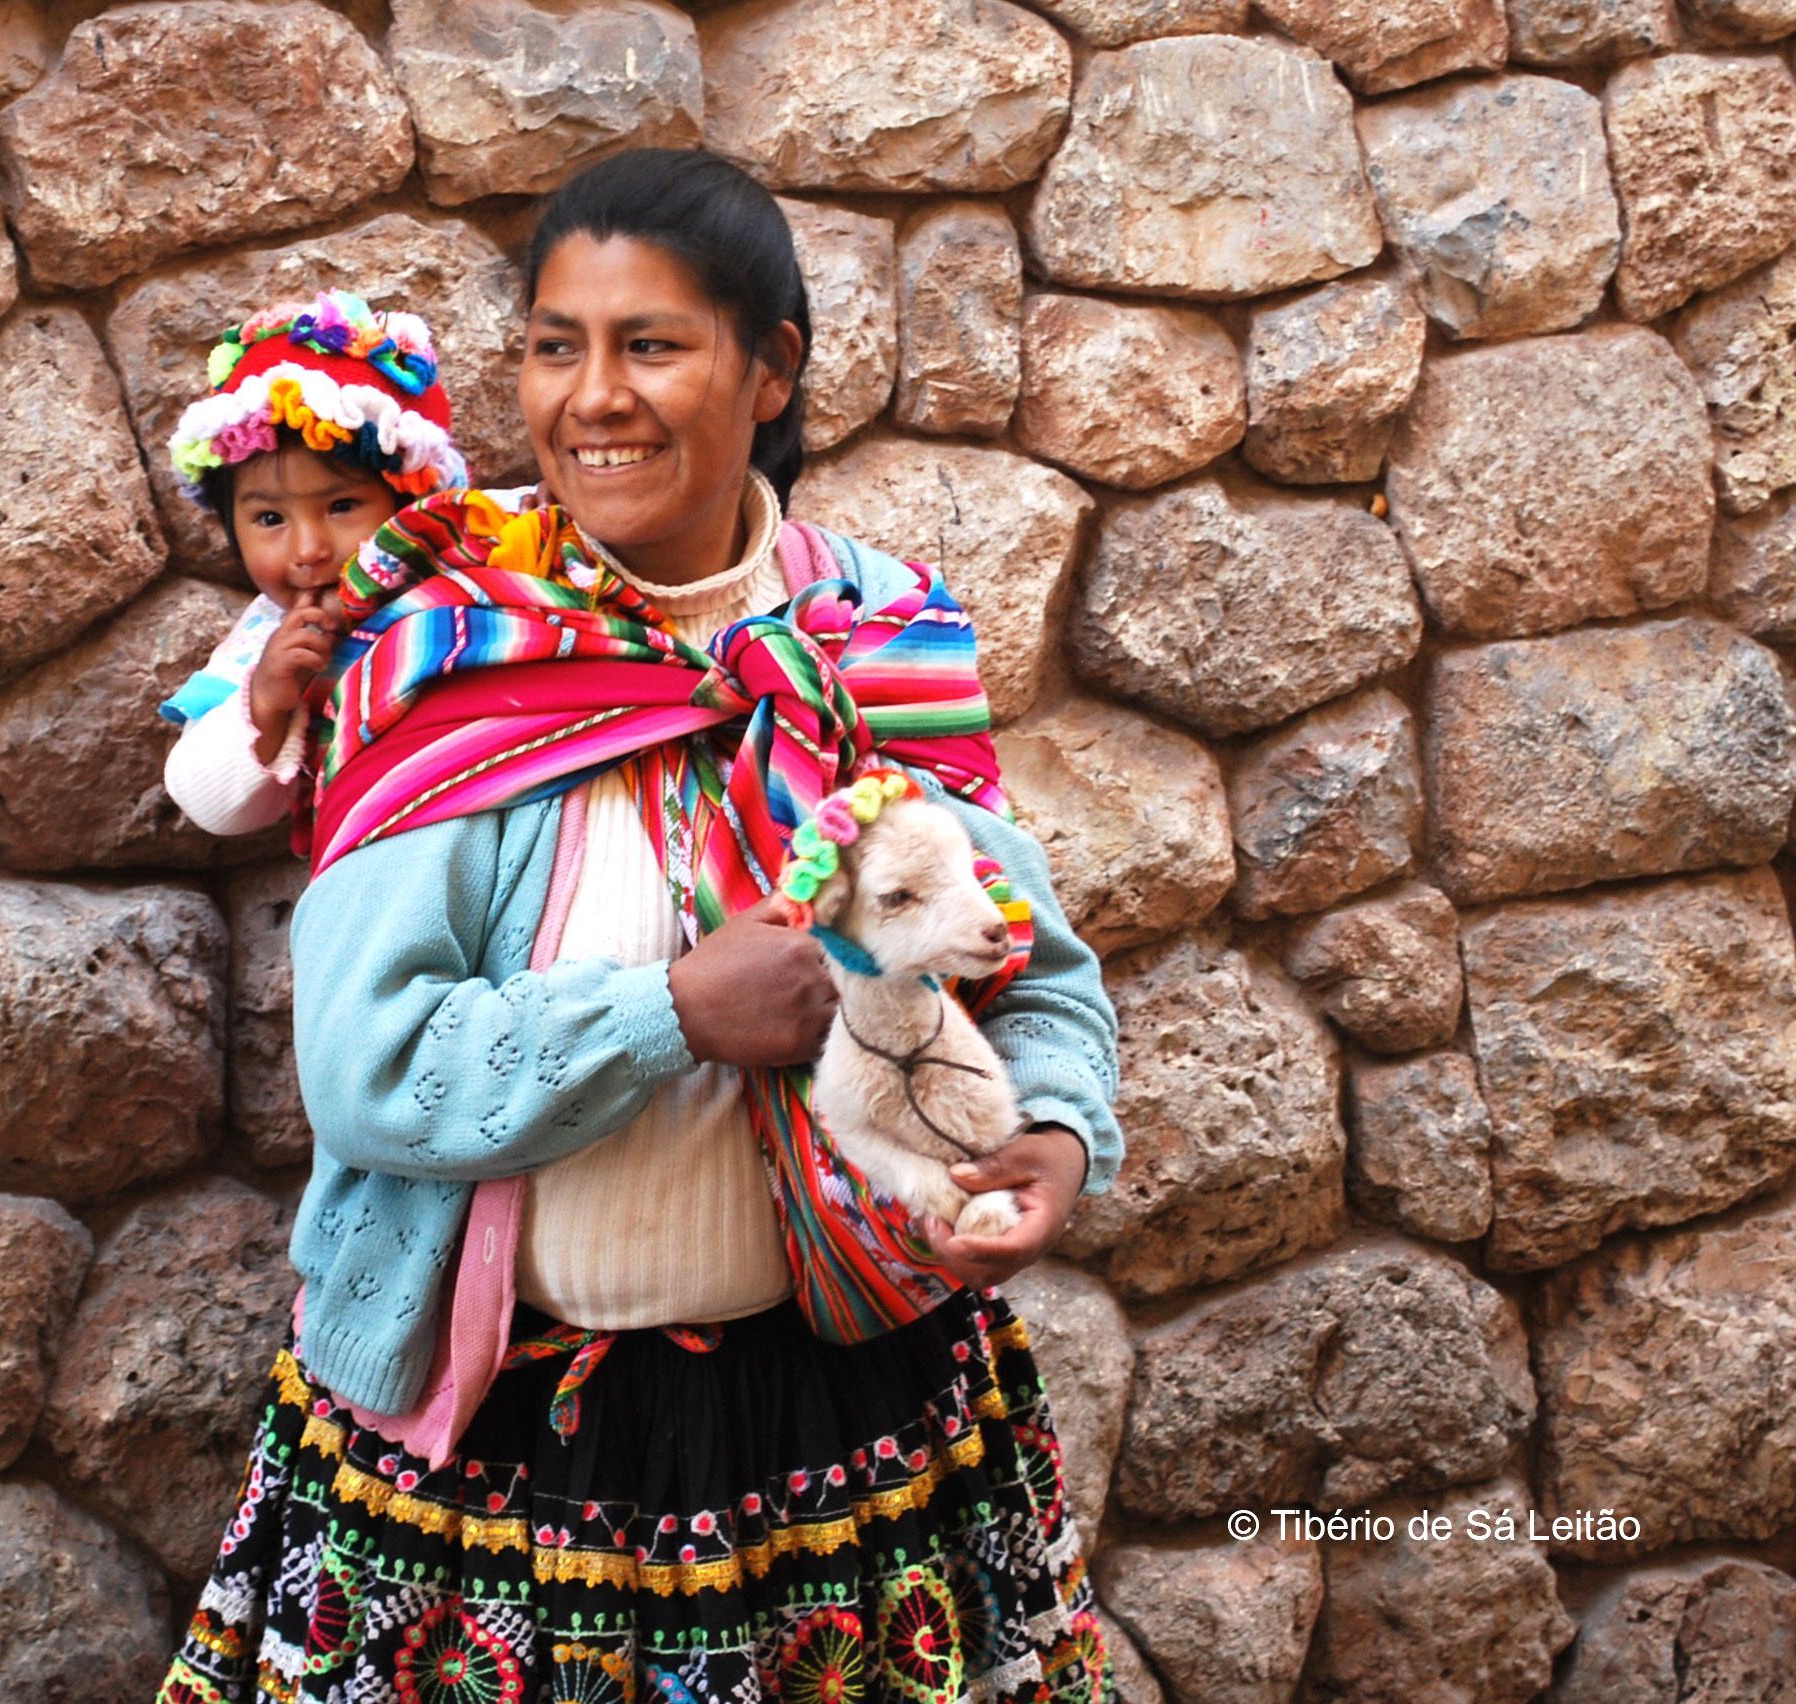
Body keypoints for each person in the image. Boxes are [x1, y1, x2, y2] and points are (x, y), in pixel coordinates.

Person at [158, 149, 1121, 1704]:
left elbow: (1035, 980)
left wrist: (1057, 1137)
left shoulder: (871, 643)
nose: (590, 397)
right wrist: (672, 1011)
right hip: (501, 1457)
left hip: (863, 1423)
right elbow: (364, 1066)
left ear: (773, 368)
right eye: (555, 346)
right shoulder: (446, 649)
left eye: (651, 344)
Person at [159, 289, 469, 837]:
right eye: (271, 520)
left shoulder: (470, 581)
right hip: (372, 869)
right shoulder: (266, 646)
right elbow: (211, 808)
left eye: (342, 506)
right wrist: (268, 701)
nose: (309, 550)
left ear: (409, 503)